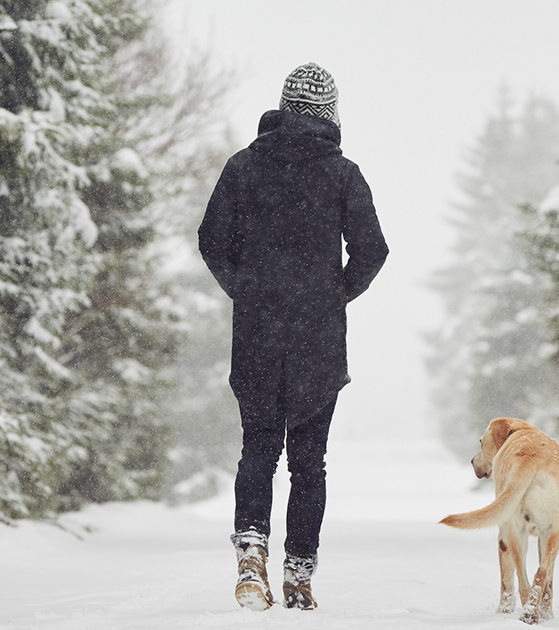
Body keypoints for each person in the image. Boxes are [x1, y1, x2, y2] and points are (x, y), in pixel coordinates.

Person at [197, 62, 388, 611]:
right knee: (310, 459)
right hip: (318, 341)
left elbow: (212, 240)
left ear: (282, 107)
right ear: (329, 114)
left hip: (256, 333)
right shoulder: (343, 174)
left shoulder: (243, 167)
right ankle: (299, 575)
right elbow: (373, 251)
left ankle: (251, 556)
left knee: (258, 445)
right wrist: (332, 296)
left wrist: (247, 289)